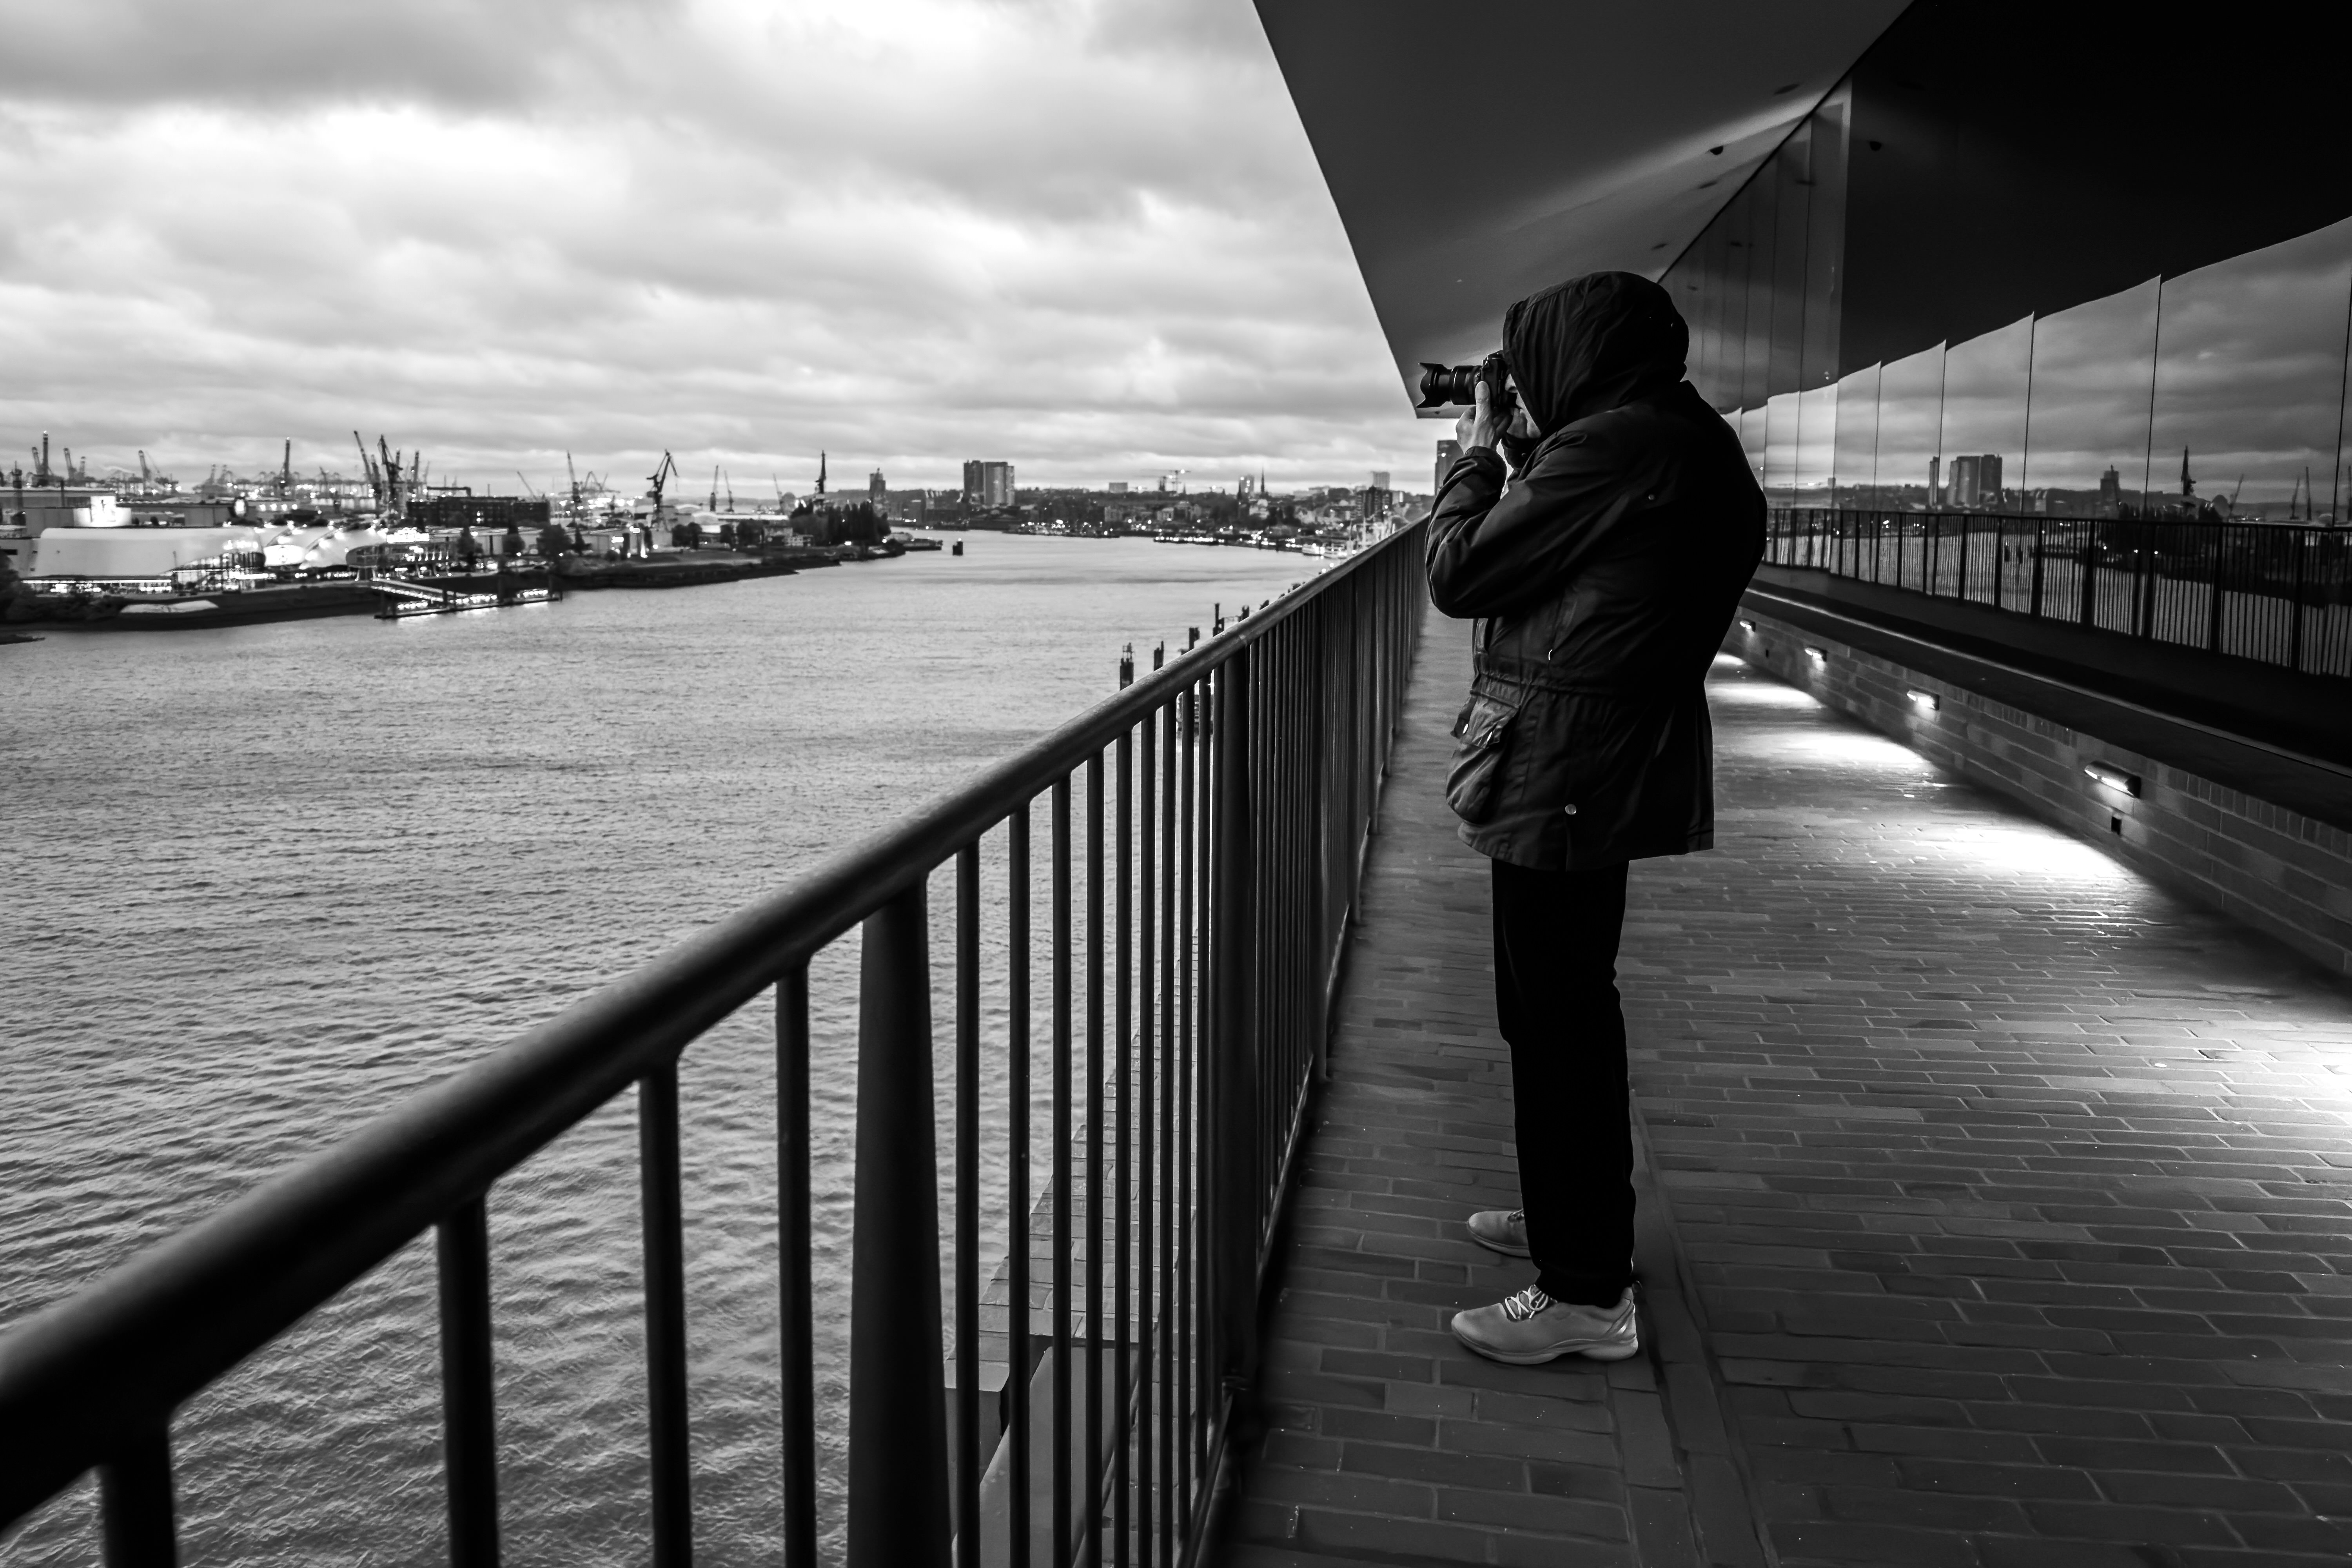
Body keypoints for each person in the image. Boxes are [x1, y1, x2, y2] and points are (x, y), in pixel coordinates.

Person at [1425, 271, 1764, 1364]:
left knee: (1558, 1018)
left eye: (1531, 363)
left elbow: (1461, 571)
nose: (1521, 386)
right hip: (1595, 757)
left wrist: (1476, 454)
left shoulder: (1619, 446)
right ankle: (1575, 1225)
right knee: (1561, 1010)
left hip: (1565, 763)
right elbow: (1582, 560)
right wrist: (1533, 455)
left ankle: (1584, 1293)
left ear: (1577, 352)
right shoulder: (1679, 438)